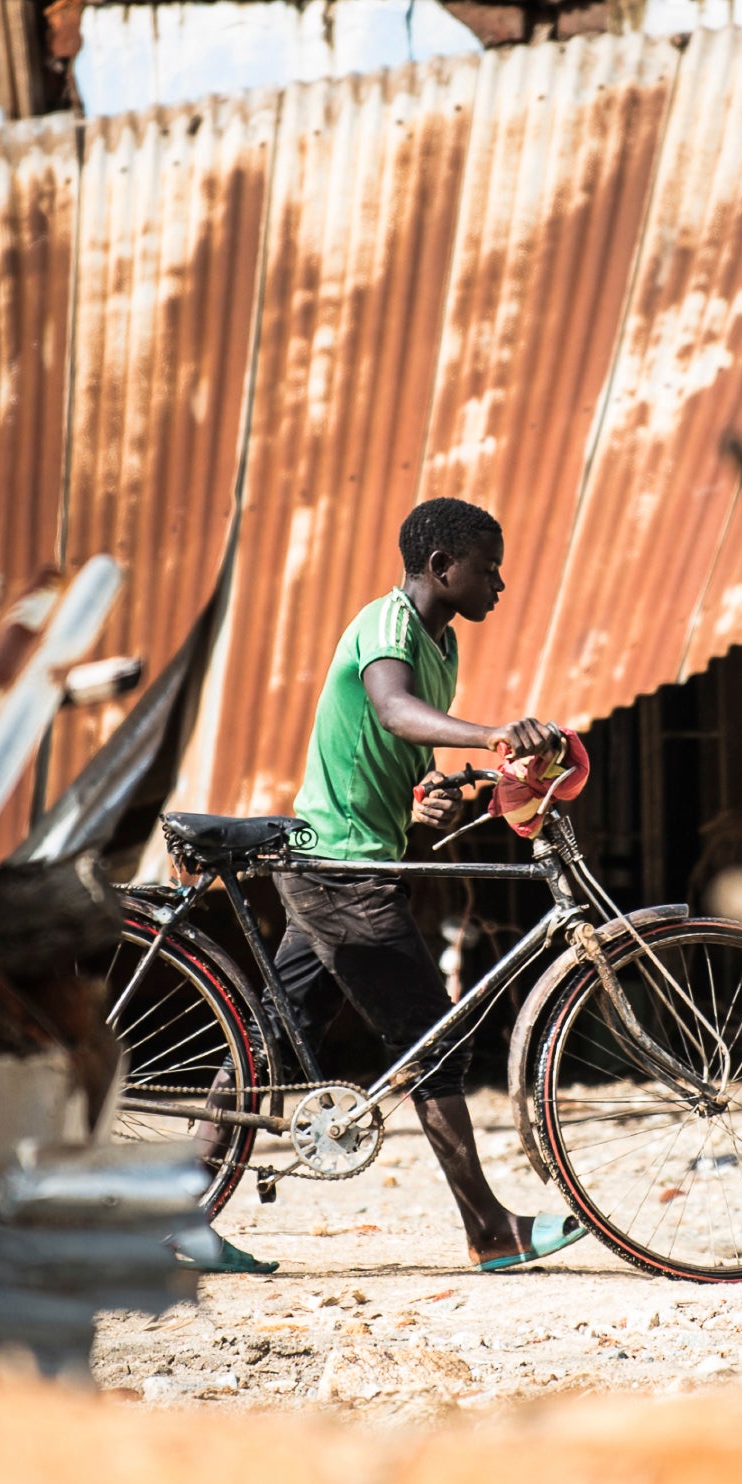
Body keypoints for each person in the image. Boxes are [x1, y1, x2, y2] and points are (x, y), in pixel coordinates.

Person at [268, 496, 588, 1273]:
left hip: (350, 857)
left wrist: (432, 792)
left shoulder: (439, 649)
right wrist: (493, 733)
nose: (500, 584)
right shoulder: (388, 627)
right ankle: (490, 1230)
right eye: (488, 566)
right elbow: (392, 709)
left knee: (266, 1044)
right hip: (340, 869)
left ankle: (177, 1213)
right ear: (442, 567)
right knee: (430, 1041)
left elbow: (400, 751)